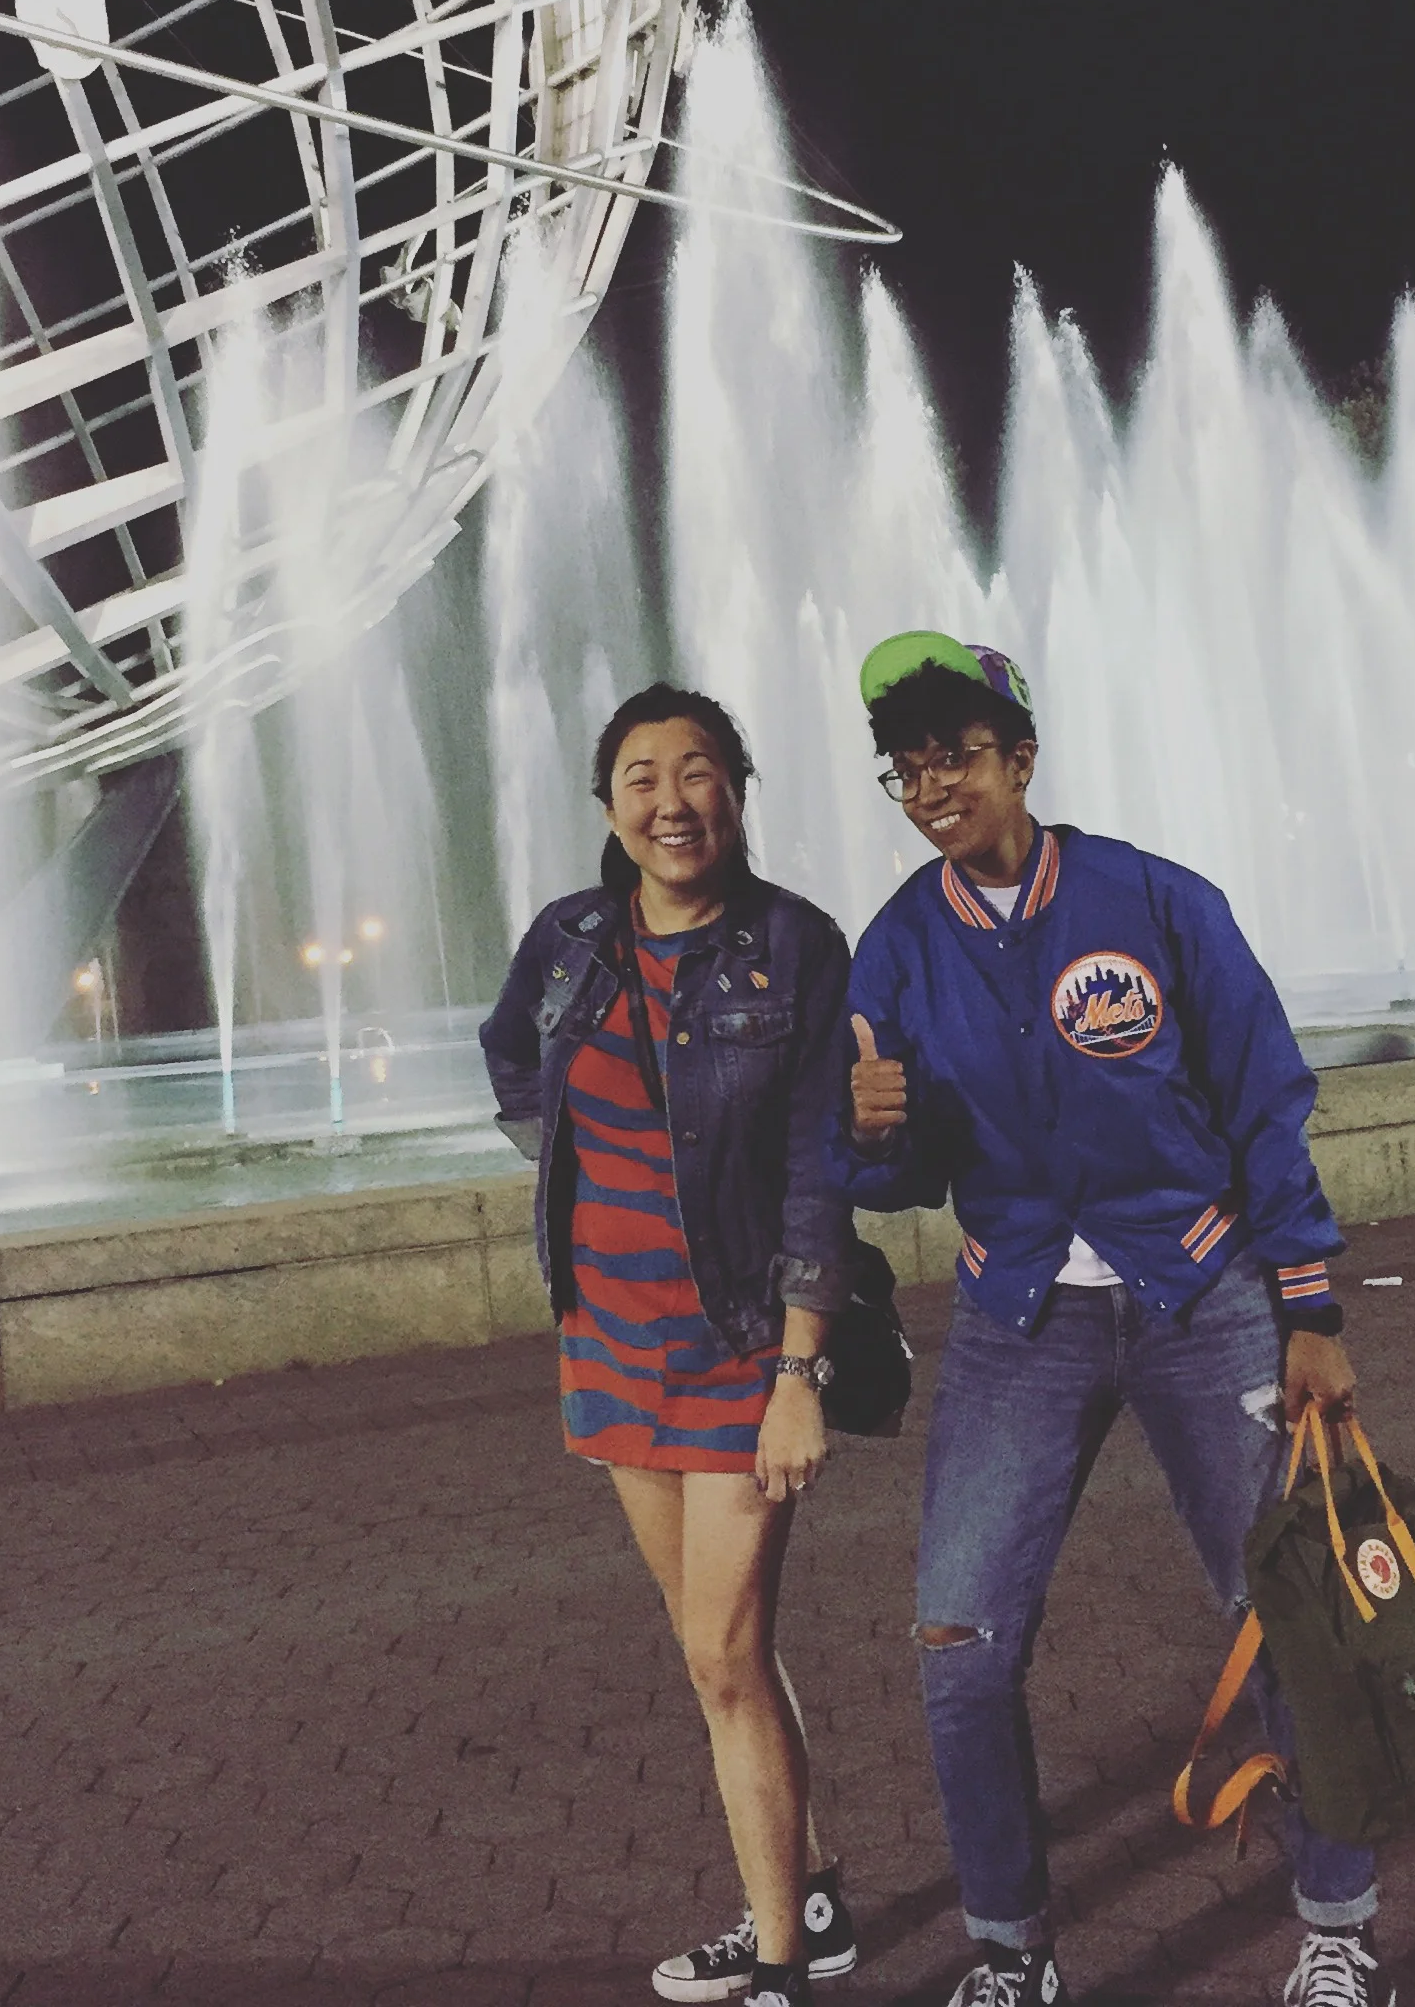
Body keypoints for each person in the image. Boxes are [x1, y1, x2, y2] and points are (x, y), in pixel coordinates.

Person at [838, 634, 1394, 2007]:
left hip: (1201, 1296)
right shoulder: (898, 947)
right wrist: (870, 1138)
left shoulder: (1156, 900)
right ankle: (1011, 1953)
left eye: (956, 757)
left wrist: (1308, 1304)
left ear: (1021, 759)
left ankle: (1339, 1931)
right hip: (1016, 1316)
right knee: (960, 1649)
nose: (932, 787)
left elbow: (1265, 1100)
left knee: (1292, 1614)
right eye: (907, 769)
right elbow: (901, 1178)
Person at [480, 685, 863, 2007]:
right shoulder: (570, 939)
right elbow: (511, 1061)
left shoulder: (795, 946)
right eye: (640, 777)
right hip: (609, 1339)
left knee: (720, 1654)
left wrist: (799, 1374)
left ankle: (781, 1965)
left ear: (736, 792)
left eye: (696, 771)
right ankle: (807, 1896)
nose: (671, 801)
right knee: (722, 1654)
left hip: (739, 1347)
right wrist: (578, 1190)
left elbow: (819, 1171)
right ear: (609, 807)